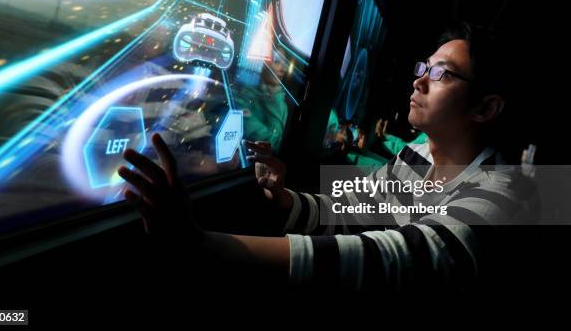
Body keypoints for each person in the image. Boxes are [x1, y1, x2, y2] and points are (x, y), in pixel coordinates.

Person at [117, 22, 538, 291]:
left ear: (486, 108)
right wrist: (284, 197)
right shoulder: (415, 154)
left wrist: (199, 245)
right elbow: (349, 208)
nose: (419, 82)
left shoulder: (502, 195)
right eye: (423, 68)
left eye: (441, 73)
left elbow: (391, 259)